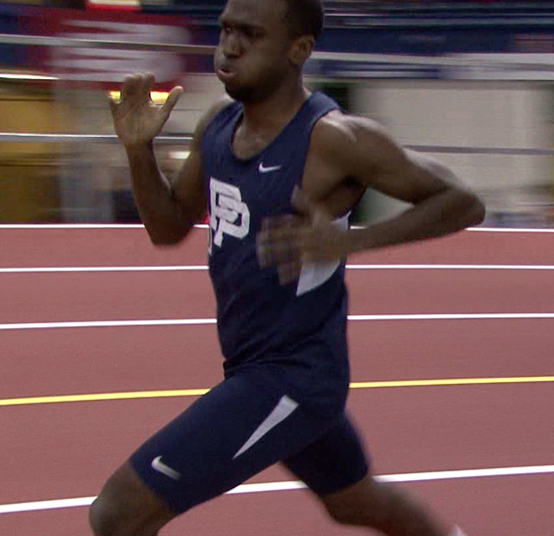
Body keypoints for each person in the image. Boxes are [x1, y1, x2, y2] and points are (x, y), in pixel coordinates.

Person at [90, 0, 485, 535]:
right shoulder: (217, 126)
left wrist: (351, 241)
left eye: (250, 34)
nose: (229, 46)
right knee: (355, 502)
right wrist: (139, 151)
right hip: (255, 364)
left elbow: (463, 201)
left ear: (298, 49)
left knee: (118, 513)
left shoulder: (333, 138)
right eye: (226, 29)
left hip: (294, 377)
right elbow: (168, 229)